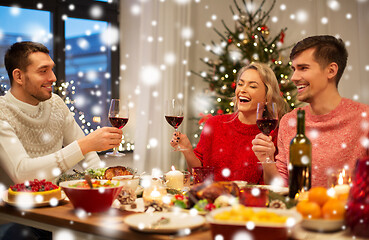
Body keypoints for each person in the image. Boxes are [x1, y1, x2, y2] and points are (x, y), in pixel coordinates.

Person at [0, 41, 123, 186]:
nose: (53, 78)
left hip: (56, 201)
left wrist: (105, 187)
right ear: (19, 76)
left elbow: (89, 158)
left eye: (51, 69)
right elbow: (22, 174)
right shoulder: (3, 112)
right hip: (14, 206)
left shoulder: (56, 103)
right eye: (43, 71)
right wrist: (84, 145)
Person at [252, 35, 369, 187]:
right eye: (294, 69)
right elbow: (280, 189)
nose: (293, 77)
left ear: (331, 70)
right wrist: (267, 159)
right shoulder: (289, 122)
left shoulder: (364, 119)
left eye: (303, 68)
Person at [170, 62, 289, 183]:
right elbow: (199, 175)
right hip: (212, 200)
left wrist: (267, 160)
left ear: (266, 97)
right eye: (240, 84)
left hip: (248, 201)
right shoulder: (214, 124)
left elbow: (273, 187)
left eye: (252, 86)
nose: (242, 90)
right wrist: (187, 150)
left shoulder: (275, 135)